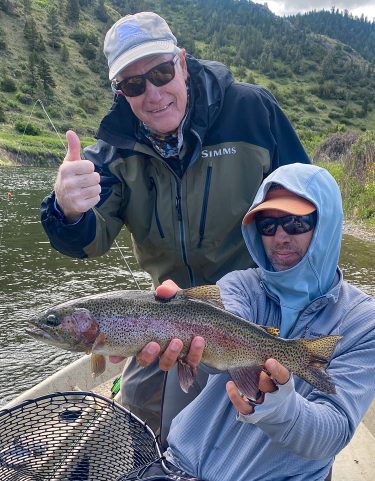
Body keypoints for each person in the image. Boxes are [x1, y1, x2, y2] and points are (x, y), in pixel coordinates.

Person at [40, 12, 309, 432]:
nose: (153, 93)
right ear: (120, 91)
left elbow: (306, 203)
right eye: (133, 84)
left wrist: (302, 294)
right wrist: (67, 210)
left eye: (162, 72)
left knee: (275, 424)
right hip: (166, 309)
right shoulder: (110, 154)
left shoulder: (252, 111)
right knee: (139, 418)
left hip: (259, 303)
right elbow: (88, 240)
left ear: (182, 62)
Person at [114, 163, 375, 481]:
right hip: (179, 471)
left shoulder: (362, 321)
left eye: (297, 223)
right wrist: (184, 330)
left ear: (326, 225)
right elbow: (223, 334)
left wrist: (280, 408)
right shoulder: (242, 284)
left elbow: (334, 430)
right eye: (268, 224)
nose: (281, 236)